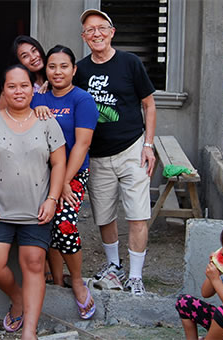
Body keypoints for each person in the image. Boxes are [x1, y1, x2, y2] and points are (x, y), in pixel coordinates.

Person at [0, 64, 67, 339]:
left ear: (32, 88)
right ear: (3, 89)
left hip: (36, 210)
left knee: (35, 262)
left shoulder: (47, 121)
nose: (18, 91)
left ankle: (29, 331)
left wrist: (52, 199)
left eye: (24, 85)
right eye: (11, 86)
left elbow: (59, 162)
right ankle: (18, 298)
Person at [74, 9, 158, 295]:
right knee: (104, 215)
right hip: (97, 155)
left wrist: (148, 145)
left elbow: (149, 105)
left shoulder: (130, 63)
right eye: (89, 30)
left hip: (132, 148)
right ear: (84, 37)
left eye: (101, 28)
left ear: (112, 32)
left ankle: (135, 277)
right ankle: (114, 267)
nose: (96, 34)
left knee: (137, 214)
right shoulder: (80, 70)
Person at [30, 45, 99, 319]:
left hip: (73, 174)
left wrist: (62, 183)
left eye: (63, 66)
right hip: (41, 175)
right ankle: (57, 282)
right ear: (45, 70)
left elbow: (82, 145)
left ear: (74, 70)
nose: (57, 71)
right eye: (52, 66)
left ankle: (78, 281)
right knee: (45, 223)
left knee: (65, 222)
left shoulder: (83, 100)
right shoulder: (38, 99)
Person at [0, 35, 47, 111]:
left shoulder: (55, 80)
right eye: (25, 56)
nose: (33, 57)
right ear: (19, 62)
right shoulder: (15, 87)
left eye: (34, 51)